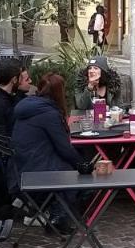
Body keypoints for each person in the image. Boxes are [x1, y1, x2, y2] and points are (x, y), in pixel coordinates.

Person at [11, 74, 83, 234]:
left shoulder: (30, 105)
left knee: (70, 164)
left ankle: (53, 211)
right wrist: (83, 164)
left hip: (21, 164)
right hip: (35, 168)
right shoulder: (49, 113)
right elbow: (64, 148)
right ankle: (58, 218)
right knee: (73, 172)